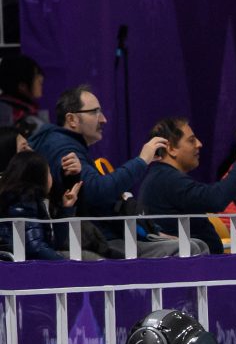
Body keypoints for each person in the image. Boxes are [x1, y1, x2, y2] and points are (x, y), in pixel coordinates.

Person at [28, 84, 188, 257]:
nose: (103, 119)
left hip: (102, 236)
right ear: (72, 119)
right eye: (95, 112)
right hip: (96, 240)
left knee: (192, 246)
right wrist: (142, 160)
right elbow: (98, 191)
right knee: (188, 249)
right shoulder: (62, 147)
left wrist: (151, 230)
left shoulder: (63, 143)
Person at [137, 116, 236, 255]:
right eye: (191, 140)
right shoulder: (166, 179)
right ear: (171, 148)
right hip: (192, 269)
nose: (199, 144)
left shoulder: (162, 176)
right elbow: (216, 199)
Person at [0, 151, 79, 260]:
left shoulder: (31, 200)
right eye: (49, 172)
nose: (52, 178)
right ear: (38, 176)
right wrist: (66, 265)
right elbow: (36, 249)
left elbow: (55, 243)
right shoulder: (23, 202)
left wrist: (66, 209)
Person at [0, 55, 44, 129]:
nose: (41, 79)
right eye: (36, 75)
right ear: (22, 86)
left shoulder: (27, 110)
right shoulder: (9, 115)